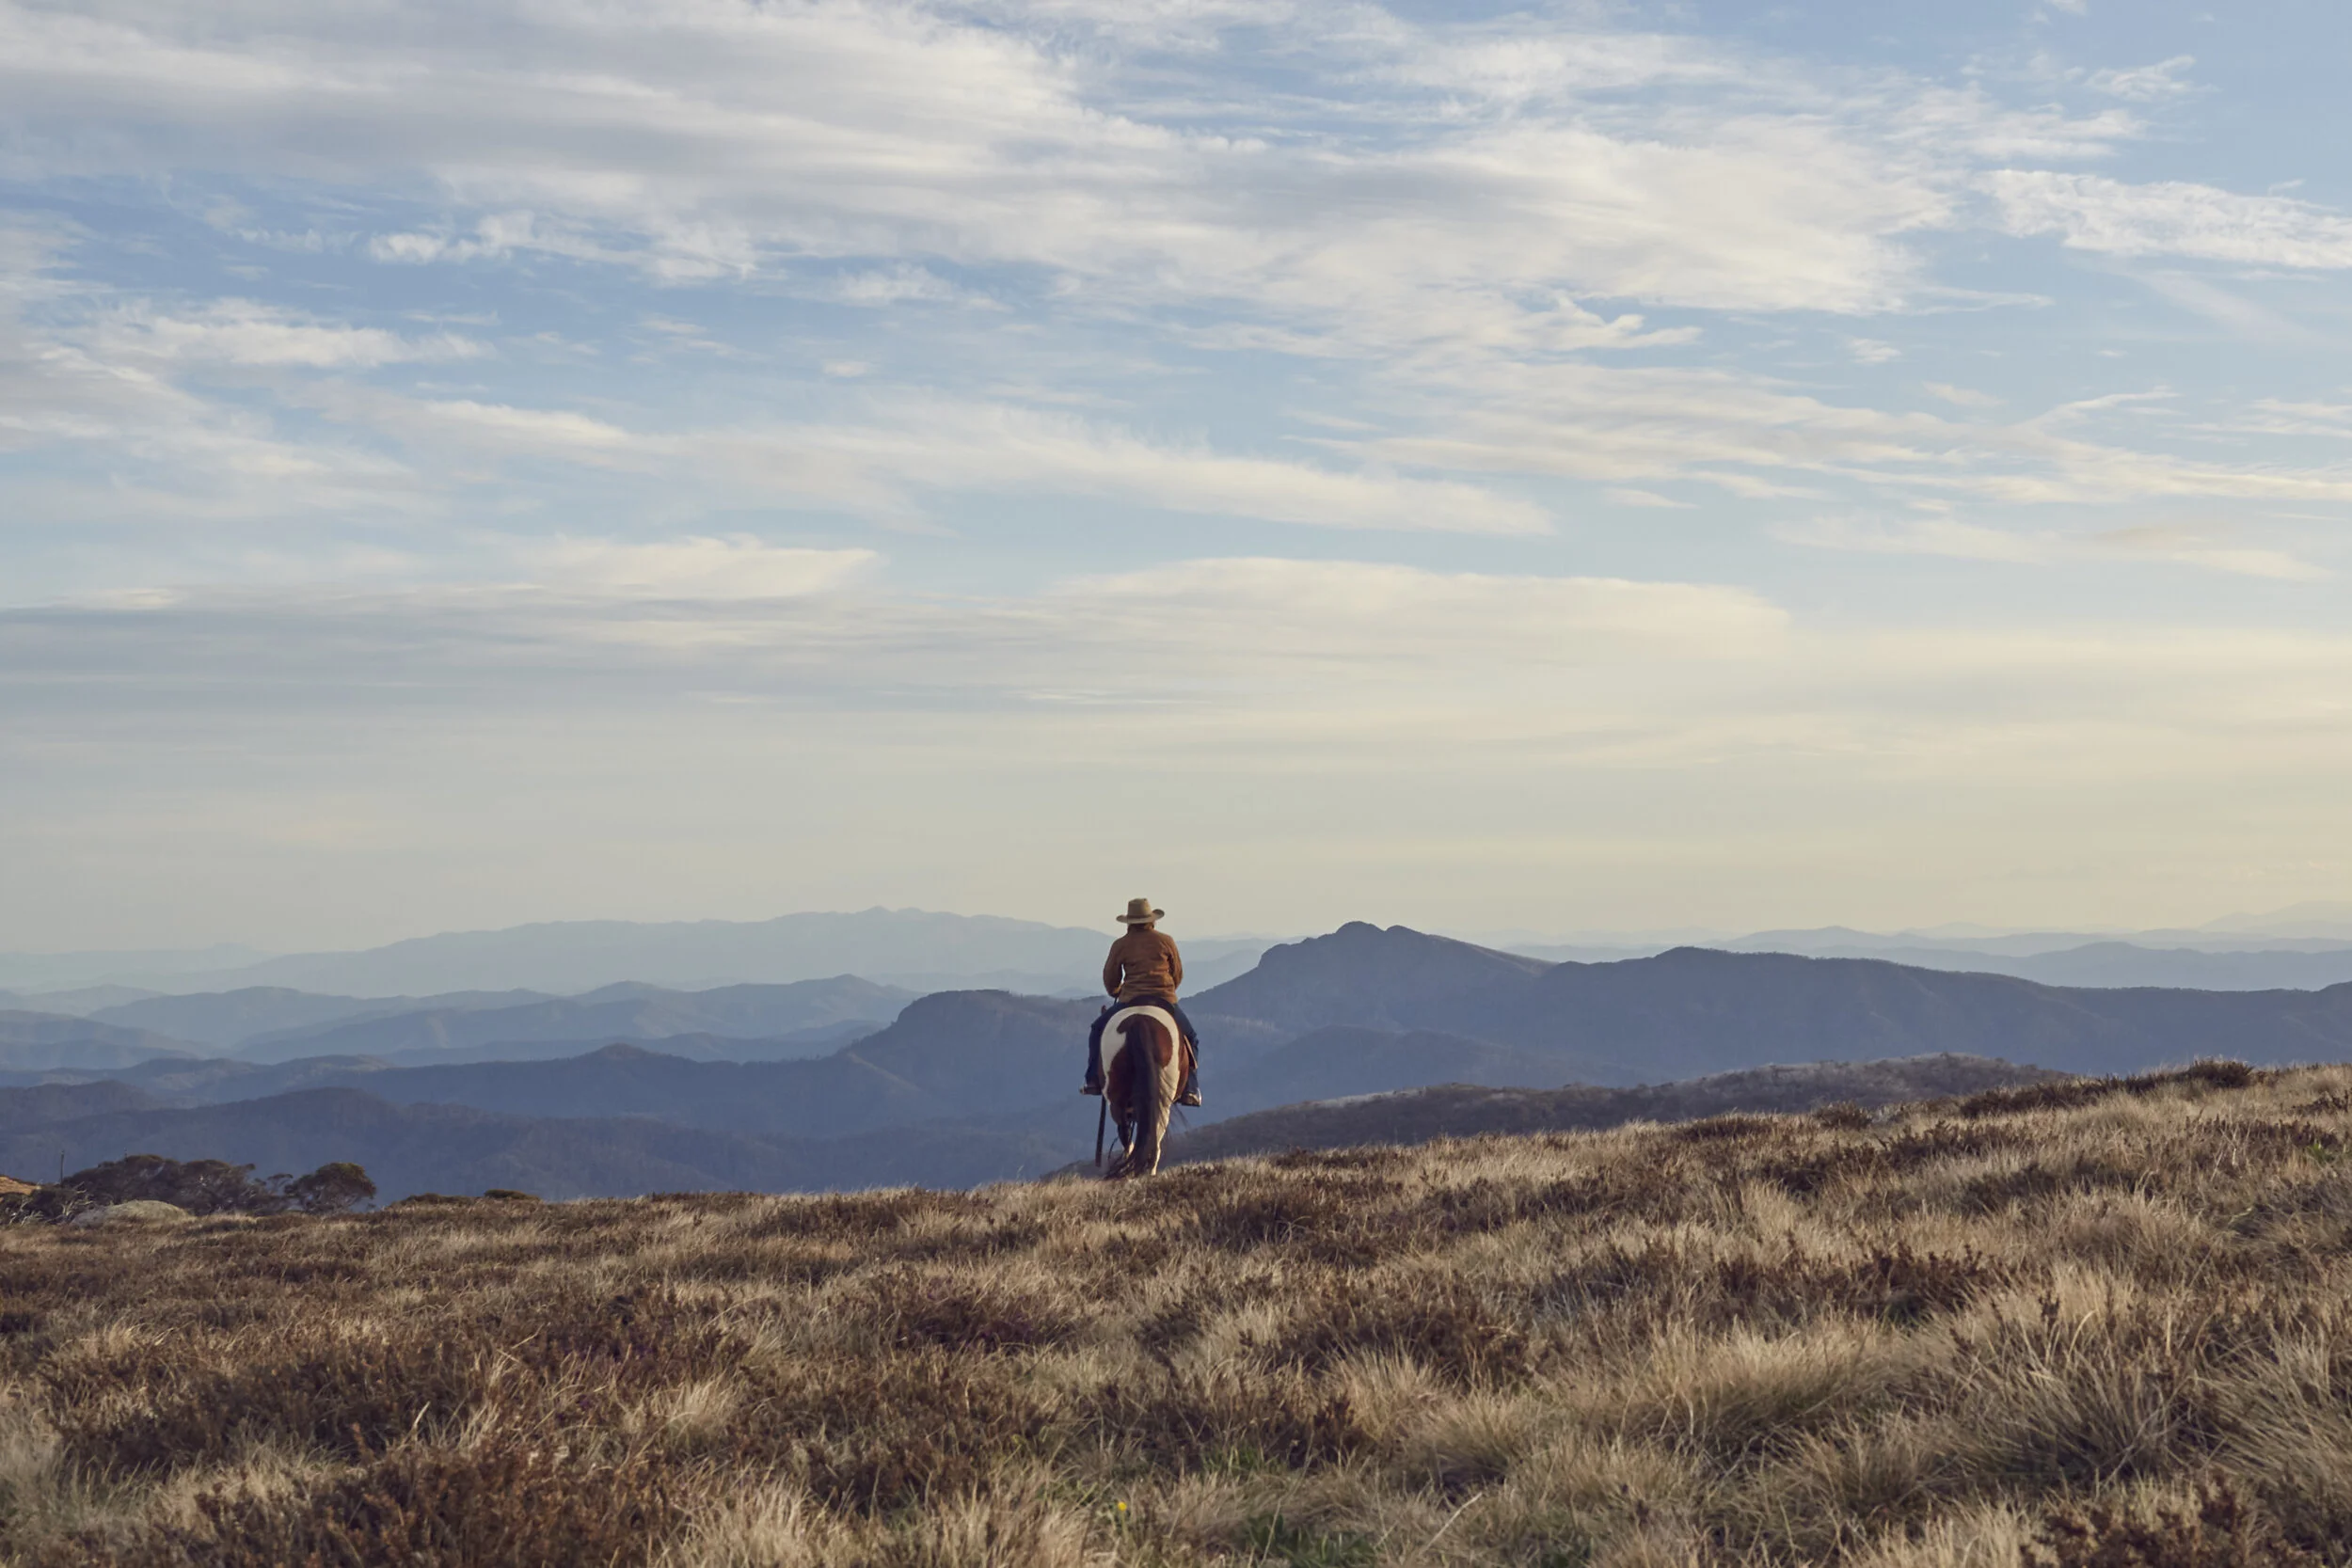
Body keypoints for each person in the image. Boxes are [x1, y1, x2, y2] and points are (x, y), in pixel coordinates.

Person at [1084, 897, 1202, 1105]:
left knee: (1097, 1030)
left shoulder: (1120, 944)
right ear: (1152, 920)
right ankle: (1190, 1088)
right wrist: (1168, 989)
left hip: (1130, 999)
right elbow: (1178, 974)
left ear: (1129, 922)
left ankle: (1093, 1079)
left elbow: (1110, 977)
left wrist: (1116, 991)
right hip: (1164, 999)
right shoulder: (1166, 941)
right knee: (1190, 1037)